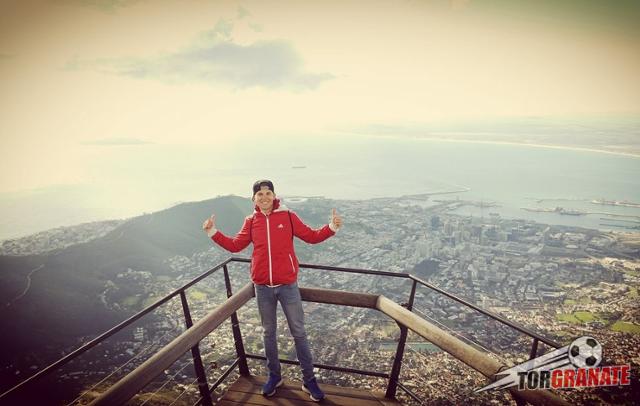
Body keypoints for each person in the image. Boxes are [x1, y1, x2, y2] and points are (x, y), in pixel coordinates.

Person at [202, 179, 342, 401]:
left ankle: (309, 381)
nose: (264, 197)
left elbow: (311, 236)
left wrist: (331, 227)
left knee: (299, 332)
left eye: (268, 193)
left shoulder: (288, 216)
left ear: (274, 196)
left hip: (287, 285)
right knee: (268, 333)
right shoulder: (251, 221)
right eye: (260, 194)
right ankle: (274, 377)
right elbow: (236, 245)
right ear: (254, 199)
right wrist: (213, 232)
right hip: (262, 287)